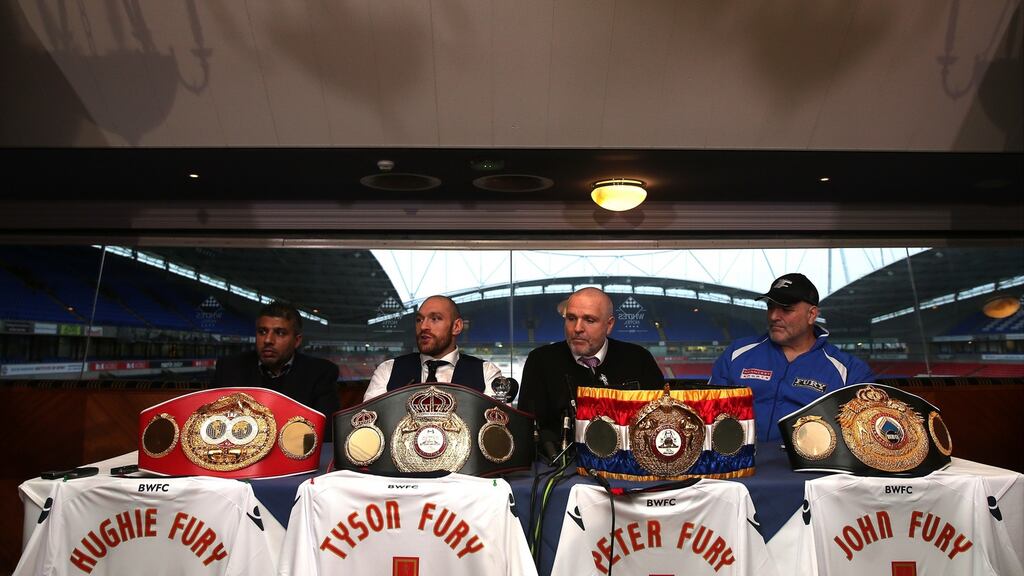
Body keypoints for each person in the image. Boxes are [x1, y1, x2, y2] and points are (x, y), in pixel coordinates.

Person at [709, 273, 875, 442]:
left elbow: (864, 438)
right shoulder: (736, 354)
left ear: (811, 315)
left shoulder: (850, 371)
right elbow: (708, 413)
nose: (774, 316)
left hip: (812, 467)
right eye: (770, 307)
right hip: (740, 464)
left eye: (786, 309)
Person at [518, 287, 665, 455]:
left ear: (609, 325)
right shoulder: (540, 361)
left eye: (589, 320)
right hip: (560, 466)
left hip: (628, 465)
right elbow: (529, 429)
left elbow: (659, 421)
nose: (577, 328)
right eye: (571, 318)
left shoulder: (639, 359)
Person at [211, 301, 340, 425]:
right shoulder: (229, 368)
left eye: (280, 333)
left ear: (297, 341)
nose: (268, 340)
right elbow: (213, 422)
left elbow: (325, 431)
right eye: (262, 332)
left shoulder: (321, 373)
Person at [362, 295, 503, 401]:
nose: (423, 326)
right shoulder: (387, 371)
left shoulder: (487, 374)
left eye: (435, 318)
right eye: (419, 320)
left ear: (456, 326)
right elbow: (369, 427)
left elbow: (497, 431)